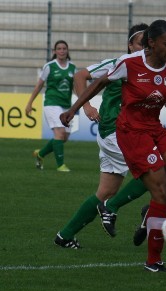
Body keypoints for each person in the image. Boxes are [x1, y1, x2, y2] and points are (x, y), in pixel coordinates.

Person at [60, 19, 166, 272]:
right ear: (152, 43)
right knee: (160, 192)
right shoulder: (130, 64)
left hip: (154, 128)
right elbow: (98, 83)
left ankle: (151, 214)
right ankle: (153, 260)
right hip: (130, 132)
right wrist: (75, 109)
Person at [54, 23, 149, 248]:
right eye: (140, 43)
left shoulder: (147, 69)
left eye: (148, 44)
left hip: (117, 133)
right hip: (115, 132)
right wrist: (86, 107)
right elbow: (80, 75)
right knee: (153, 173)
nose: (144, 48)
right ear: (130, 45)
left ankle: (64, 236)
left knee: (105, 191)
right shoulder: (119, 63)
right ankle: (111, 207)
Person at [26, 40, 76, 172]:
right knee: (59, 134)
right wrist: (30, 102)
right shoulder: (49, 66)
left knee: (63, 138)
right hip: (52, 104)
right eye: (59, 48)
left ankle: (40, 154)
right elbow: (39, 85)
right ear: (54, 52)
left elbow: (75, 87)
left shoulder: (73, 68)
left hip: (66, 106)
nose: (62, 51)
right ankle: (61, 166)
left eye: (64, 48)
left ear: (67, 51)